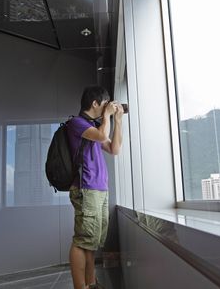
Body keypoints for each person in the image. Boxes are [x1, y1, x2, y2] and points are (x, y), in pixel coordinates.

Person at [66, 86, 123, 289]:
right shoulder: (77, 123)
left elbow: (114, 149)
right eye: (105, 103)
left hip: (99, 189)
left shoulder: (97, 126)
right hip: (86, 187)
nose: (108, 107)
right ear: (95, 104)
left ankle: (90, 283)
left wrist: (118, 120)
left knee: (92, 241)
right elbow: (100, 136)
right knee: (82, 240)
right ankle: (80, 286)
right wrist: (107, 117)